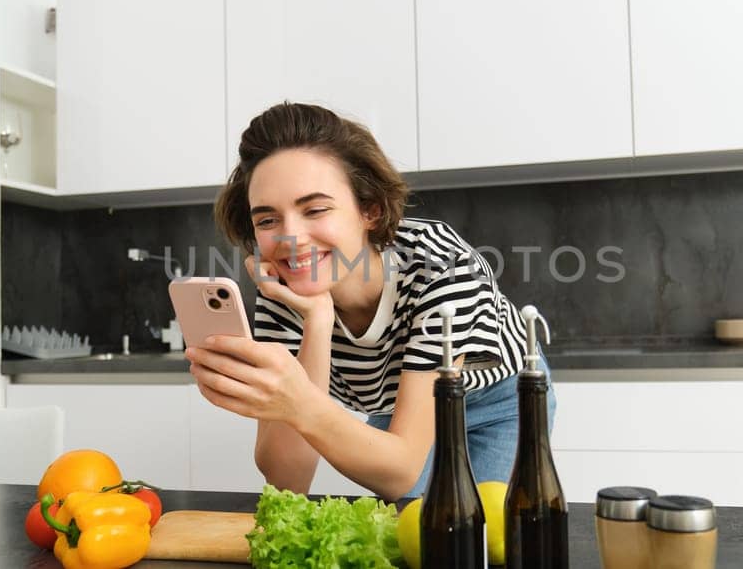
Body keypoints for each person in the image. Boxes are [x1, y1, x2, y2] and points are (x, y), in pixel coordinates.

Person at [185, 102, 554, 500]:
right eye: (268, 220)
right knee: (405, 525)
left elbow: (399, 471)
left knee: (473, 532)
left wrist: (297, 401)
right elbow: (288, 477)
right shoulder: (285, 289)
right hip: (400, 401)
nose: (291, 239)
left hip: (498, 400)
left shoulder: (443, 268)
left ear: (370, 211)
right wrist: (318, 321)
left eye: (315, 209)